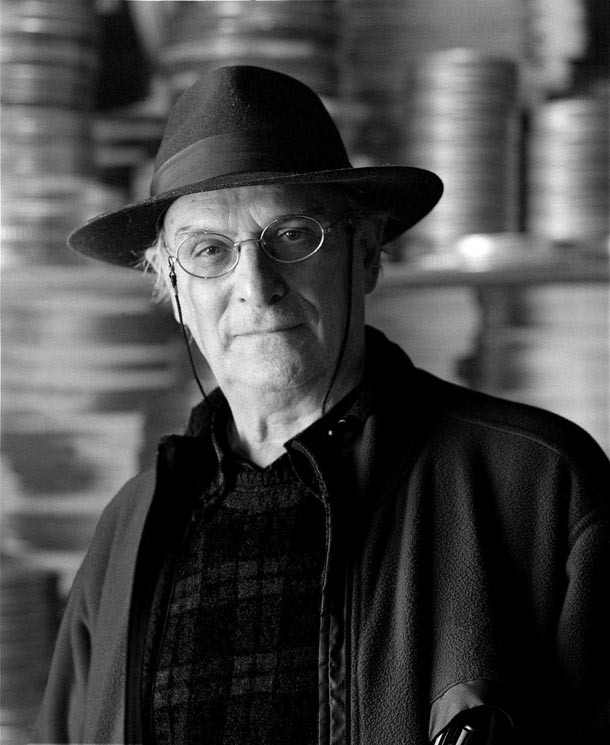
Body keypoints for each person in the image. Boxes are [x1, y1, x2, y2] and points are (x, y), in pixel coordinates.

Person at [33, 65, 609, 745]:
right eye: (208, 251)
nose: (256, 286)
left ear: (365, 255)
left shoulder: (540, 486)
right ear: (174, 290)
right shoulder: (127, 531)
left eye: (292, 234)